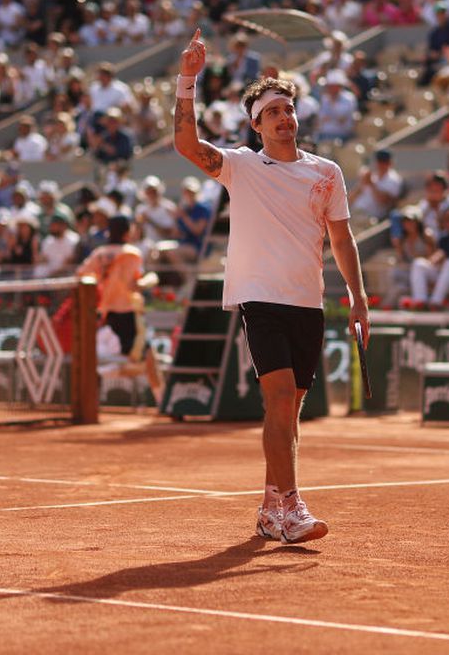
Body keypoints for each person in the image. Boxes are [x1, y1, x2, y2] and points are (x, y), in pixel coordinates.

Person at [173, 30, 368, 546]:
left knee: (291, 409)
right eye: (272, 111)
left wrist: (358, 296)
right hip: (260, 298)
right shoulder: (240, 164)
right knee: (280, 398)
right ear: (256, 125)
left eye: (288, 108)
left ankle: (269, 507)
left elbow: (342, 239)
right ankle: (292, 506)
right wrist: (187, 80)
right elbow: (186, 145)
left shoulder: (325, 174)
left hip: (308, 300)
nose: (284, 117)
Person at [78, 214, 164, 406]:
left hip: (106, 314)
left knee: (137, 360)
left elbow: (81, 274)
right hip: (128, 314)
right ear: (127, 231)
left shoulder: (99, 253)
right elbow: (136, 284)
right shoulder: (131, 253)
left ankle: (161, 400)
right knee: (147, 360)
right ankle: (163, 402)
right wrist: (152, 278)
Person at [349, 149, 404, 222]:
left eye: (384, 162)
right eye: (379, 161)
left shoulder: (394, 179)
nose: (381, 164)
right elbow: (350, 199)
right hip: (354, 213)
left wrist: (371, 184)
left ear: (390, 163)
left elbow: (383, 201)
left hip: (370, 218)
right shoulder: (372, 176)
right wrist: (361, 183)